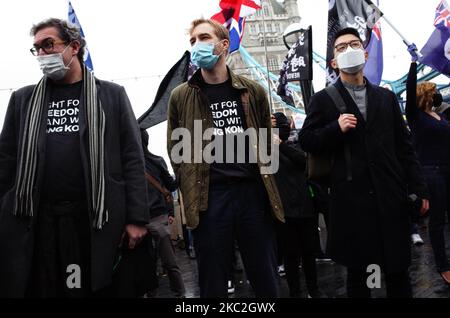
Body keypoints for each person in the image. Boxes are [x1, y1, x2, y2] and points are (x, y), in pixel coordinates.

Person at [0, 18, 148, 297]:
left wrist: (137, 218)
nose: (42, 55)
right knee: (46, 288)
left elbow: (132, 157)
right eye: (37, 49)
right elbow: (5, 161)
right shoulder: (23, 99)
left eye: (49, 45)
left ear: (74, 47)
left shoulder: (111, 95)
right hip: (38, 220)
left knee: (83, 286)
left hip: (91, 218)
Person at [298, 28, 429, 298]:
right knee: (362, 274)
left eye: (354, 44)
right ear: (333, 62)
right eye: (341, 47)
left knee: (397, 270)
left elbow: (405, 147)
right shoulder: (322, 100)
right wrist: (335, 128)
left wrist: (420, 189)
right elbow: (307, 140)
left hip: (390, 198)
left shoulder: (386, 97)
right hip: (352, 203)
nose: (349, 50)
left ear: (365, 53)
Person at [167, 18, 284, 298]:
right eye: (193, 40)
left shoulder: (252, 90)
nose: (197, 45)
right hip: (209, 200)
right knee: (212, 280)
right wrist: (192, 187)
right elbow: (176, 150)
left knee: (265, 276)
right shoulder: (181, 96)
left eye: (204, 38)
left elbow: (267, 142)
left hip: (251, 196)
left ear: (223, 45)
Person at [405, 44, 450, 284]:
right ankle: (443, 265)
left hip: (448, 169)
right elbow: (409, 92)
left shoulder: (440, 116)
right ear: (425, 95)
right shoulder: (416, 116)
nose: (436, 95)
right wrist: (413, 64)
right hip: (431, 173)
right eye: (433, 92)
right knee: (438, 221)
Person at [272, 112, 324, 298]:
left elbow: (304, 162)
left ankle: (314, 290)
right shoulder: (267, 150)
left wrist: (281, 146)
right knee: (290, 256)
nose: (281, 126)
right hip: (285, 211)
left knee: (309, 252)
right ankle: (296, 292)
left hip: (305, 207)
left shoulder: (298, 143)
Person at [141, 130, 186, 298]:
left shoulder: (127, 164)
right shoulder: (157, 161)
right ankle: (180, 292)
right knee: (169, 261)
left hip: (138, 220)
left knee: (146, 263)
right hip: (159, 217)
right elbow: (172, 186)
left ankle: (151, 293)